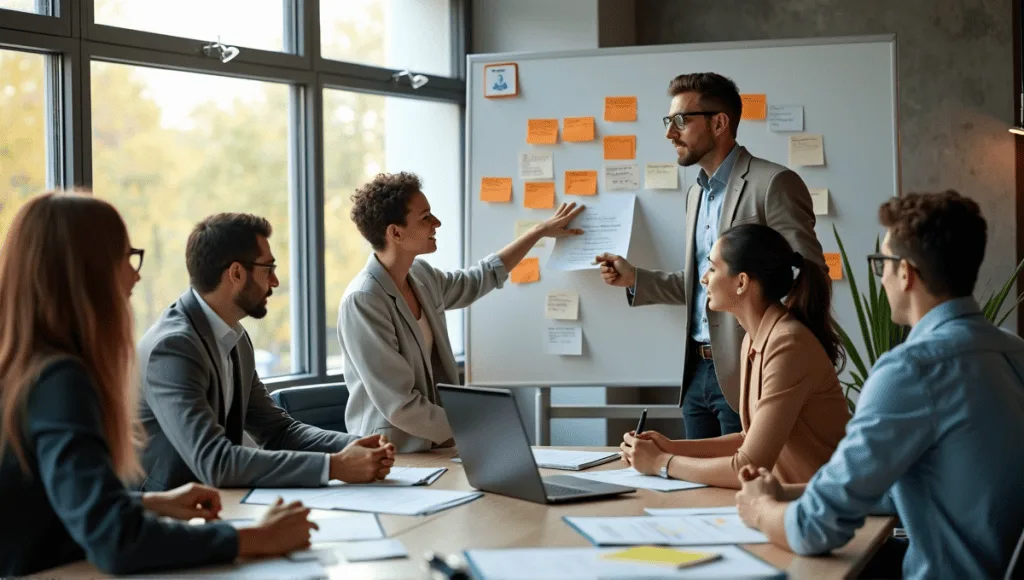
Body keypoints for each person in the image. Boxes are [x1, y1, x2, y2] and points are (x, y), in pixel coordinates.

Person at [0, 193, 317, 576]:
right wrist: (257, 538)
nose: (136, 274)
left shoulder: (27, 366)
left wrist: (151, 502)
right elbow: (117, 541)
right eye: (126, 255)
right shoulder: (60, 380)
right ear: (88, 270)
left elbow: (61, 503)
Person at [735, 191, 1024, 580]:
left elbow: (814, 529)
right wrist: (785, 493)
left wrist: (759, 511)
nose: (882, 276)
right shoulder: (1014, 350)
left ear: (905, 273)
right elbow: (904, 487)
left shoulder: (910, 371)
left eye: (882, 264)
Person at [595, 72, 827, 440]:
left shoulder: (772, 184)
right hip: (696, 374)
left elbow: (809, 273)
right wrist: (635, 278)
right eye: (668, 122)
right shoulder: (696, 195)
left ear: (720, 122)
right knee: (695, 489)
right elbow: (704, 284)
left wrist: (774, 356)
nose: (670, 133)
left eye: (681, 121)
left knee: (743, 482)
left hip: (750, 370)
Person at [137, 213, 394, 490]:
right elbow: (216, 462)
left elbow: (278, 431)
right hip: (161, 518)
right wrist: (336, 466)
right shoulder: (173, 347)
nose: (275, 281)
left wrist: (355, 444)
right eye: (267, 269)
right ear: (236, 273)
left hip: (214, 505)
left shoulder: (234, 336)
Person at [340, 172, 585, 452]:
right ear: (396, 233)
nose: (437, 223)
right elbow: (400, 405)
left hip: (438, 445)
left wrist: (538, 232)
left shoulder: (420, 275)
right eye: (425, 218)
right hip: (394, 452)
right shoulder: (364, 300)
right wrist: (472, 429)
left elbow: (478, 279)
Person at [620, 224, 849, 488]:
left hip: (826, 510)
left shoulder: (788, 344)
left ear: (741, 282)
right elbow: (747, 438)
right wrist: (671, 447)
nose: (704, 278)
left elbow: (748, 466)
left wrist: (662, 462)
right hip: (793, 501)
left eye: (713, 268)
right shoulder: (755, 336)